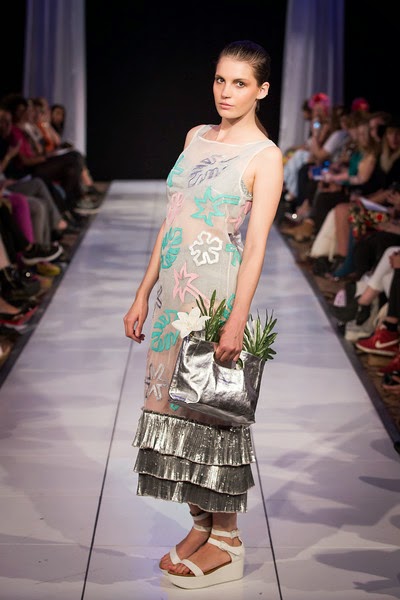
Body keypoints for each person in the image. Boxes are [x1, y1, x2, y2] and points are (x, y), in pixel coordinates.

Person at [123, 39, 283, 589]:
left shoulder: (265, 156)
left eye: (240, 83)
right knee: (173, 411)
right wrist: (143, 292)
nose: (226, 92)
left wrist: (237, 319)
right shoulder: (195, 137)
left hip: (214, 299)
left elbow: (256, 246)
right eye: (220, 79)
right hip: (172, 299)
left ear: (262, 90)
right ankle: (202, 524)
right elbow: (173, 219)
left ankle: (228, 539)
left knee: (212, 413)